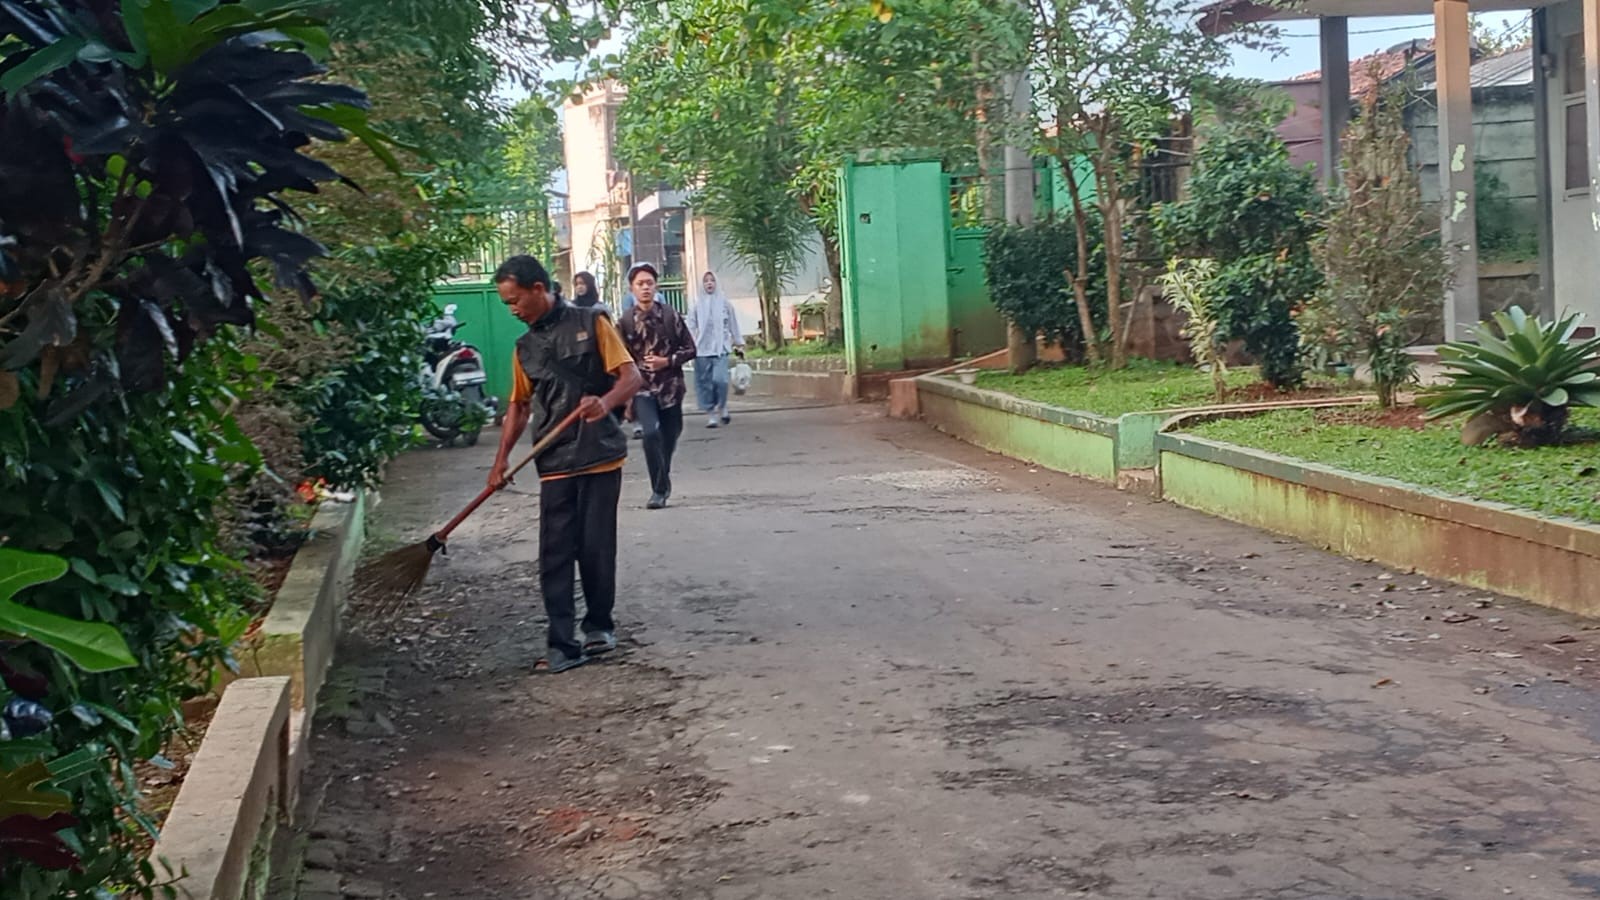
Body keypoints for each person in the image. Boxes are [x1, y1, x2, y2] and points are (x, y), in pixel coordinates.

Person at [490, 255, 643, 674]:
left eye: (515, 300)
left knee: (595, 546)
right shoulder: (524, 349)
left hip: (598, 454)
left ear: (539, 289)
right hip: (553, 459)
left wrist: (605, 402)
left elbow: (632, 378)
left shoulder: (592, 323)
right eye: (507, 304)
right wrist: (501, 460)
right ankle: (561, 644)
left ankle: (599, 626)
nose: (513, 310)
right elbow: (518, 408)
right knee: (554, 552)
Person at [617, 262, 696, 510]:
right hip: (642, 389)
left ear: (656, 286)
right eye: (640, 284)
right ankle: (658, 490)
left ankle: (663, 476)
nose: (645, 288)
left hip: (671, 388)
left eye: (649, 283)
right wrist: (625, 398)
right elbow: (620, 358)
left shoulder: (670, 315)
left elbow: (691, 349)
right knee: (650, 434)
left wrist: (667, 361)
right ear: (632, 289)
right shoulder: (626, 322)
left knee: (669, 438)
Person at [687, 270, 745, 428]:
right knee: (705, 383)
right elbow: (690, 326)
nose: (709, 283)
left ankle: (723, 406)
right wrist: (689, 344)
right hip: (702, 350)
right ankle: (711, 414)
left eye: (712, 280)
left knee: (720, 380)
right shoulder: (696, 305)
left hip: (721, 348)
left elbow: (733, 324)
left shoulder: (726, 304)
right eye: (706, 281)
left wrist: (738, 342)